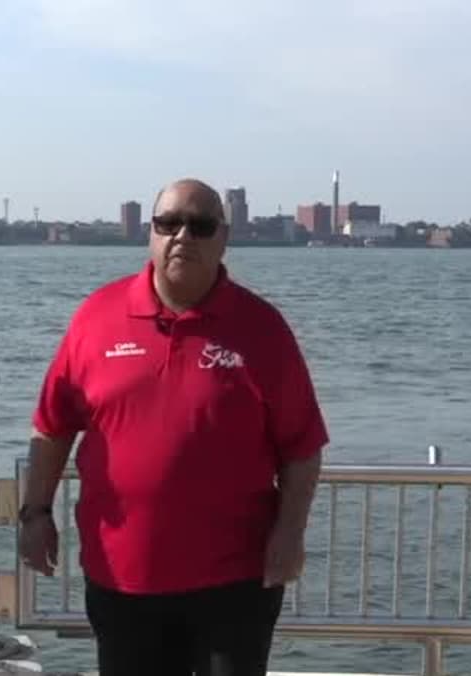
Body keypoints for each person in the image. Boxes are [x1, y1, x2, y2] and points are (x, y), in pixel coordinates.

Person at [17, 178, 329, 675]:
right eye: (168, 223)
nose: (183, 236)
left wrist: (290, 533)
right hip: (122, 578)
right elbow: (52, 428)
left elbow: (302, 447)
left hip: (235, 581)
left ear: (223, 238)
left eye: (200, 226)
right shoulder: (96, 317)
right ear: (151, 233)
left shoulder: (262, 328)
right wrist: (35, 514)